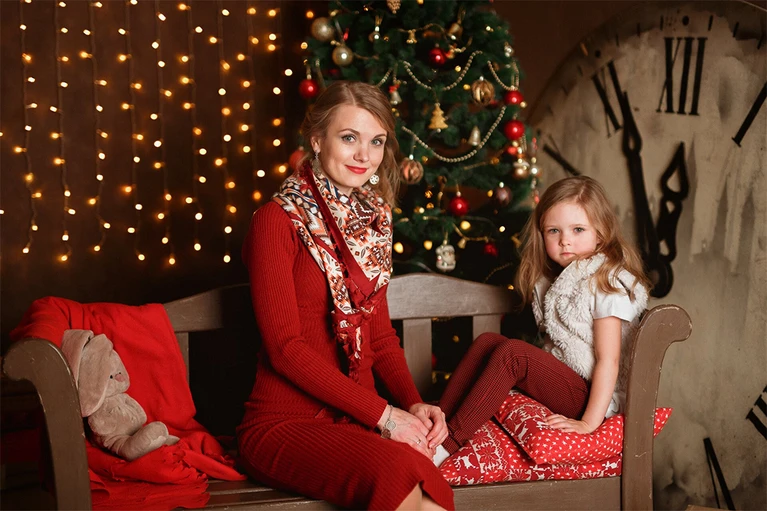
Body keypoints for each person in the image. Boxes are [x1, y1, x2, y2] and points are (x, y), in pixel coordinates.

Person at [237, 81, 454, 511]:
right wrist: (386, 416)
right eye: (349, 138)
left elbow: (380, 338)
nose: (364, 156)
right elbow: (284, 349)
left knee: (429, 485)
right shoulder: (275, 221)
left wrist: (413, 403)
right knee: (399, 473)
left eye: (376, 142)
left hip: (356, 418)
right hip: (284, 423)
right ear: (317, 140)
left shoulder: (374, 223)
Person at [433, 176, 652, 465]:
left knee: (514, 355)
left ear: (600, 233)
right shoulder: (559, 279)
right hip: (568, 380)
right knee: (488, 342)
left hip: (595, 397)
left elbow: (608, 361)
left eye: (578, 229)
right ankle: (435, 424)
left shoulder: (605, 282)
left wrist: (588, 423)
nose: (565, 240)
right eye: (553, 231)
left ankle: (444, 447)